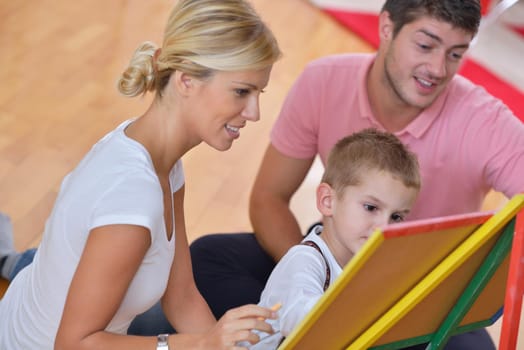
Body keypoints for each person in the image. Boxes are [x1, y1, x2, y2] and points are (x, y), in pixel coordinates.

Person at [189, 0, 524, 348]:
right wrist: (319, 279)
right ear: (386, 28)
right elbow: (268, 198)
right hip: (338, 256)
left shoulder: (487, 121)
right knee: (209, 258)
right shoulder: (324, 80)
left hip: (421, 295)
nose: (438, 68)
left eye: (456, 54)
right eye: (425, 45)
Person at [0, 0, 282, 348]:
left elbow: (181, 295)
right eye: (242, 91)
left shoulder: (159, 159)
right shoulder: (133, 192)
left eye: (258, 93)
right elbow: (74, 344)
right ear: (186, 81)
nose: (254, 112)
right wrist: (200, 344)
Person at [247, 128, 421, 348]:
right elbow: (305, 319)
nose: (384, 227)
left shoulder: (365, 264)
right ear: (328, 201)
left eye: (396, 217)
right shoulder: (304, 260)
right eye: (371, 207)